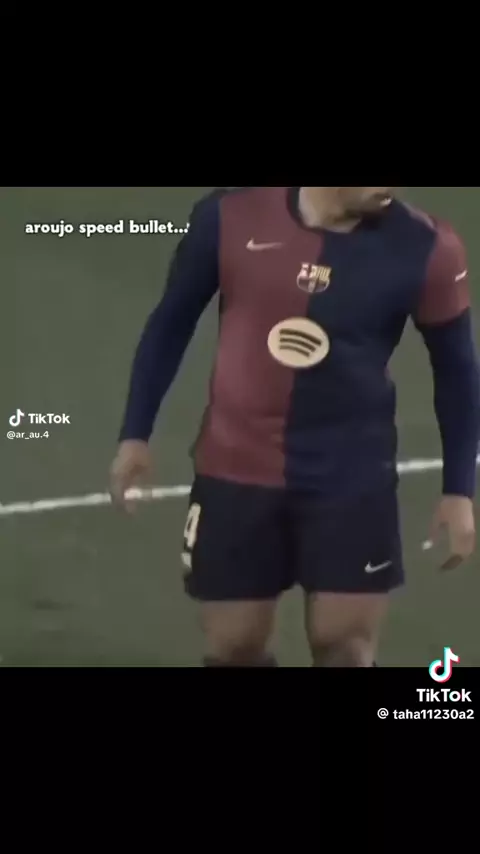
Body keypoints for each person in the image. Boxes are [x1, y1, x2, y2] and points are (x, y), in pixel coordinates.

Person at [110, 187, 480, 667]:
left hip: (352, 476)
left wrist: (459, 490)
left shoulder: (427, 246)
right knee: (233, 646)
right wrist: (135, 434)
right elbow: (170, 323)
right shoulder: (230, 214)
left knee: (345, 646)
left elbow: (457, 372)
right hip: (235, 469)